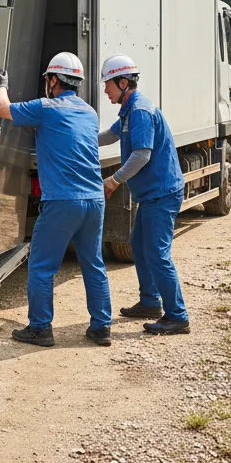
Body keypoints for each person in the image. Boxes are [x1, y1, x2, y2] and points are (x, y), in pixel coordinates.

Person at [0, 53, 112, 347]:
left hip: (62, 202)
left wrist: (1, 85)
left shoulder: (45, 107)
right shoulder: (90, 113)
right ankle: (101, 327)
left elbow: (3, 109)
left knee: (42, 267)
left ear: (53, 80)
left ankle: (40, 328)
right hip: (94, 200)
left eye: (48, 79)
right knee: (93, 265)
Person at [98, 54, 190, 335]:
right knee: (138, 245)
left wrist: (113, 181)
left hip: (161, 194)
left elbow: (141, 155)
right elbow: (111, 136)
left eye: (108, 84)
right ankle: (150, 302)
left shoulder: (140, 111)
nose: (105, 90)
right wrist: (78, 138)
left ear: (122, 83)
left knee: (157, 254)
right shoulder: (129, 110)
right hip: (152, 194)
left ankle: (178, 316)